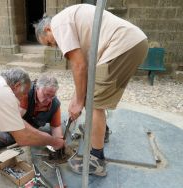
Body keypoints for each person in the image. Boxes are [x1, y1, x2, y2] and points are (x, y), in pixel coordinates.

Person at [34, 4, 148, 176]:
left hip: (122, 46)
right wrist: (76, 97)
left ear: (48, 29)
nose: (55, 46)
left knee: (94, 104)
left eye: (50, 42)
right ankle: (102, 132)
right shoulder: (70, 21)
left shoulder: (59, 25)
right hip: (133, 43)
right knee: (92, 97)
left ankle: (96, 160)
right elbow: (85, 70)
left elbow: (79, 66)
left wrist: (79, 102)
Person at [0, 75, 63, 185]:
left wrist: (58, 142)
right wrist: (37, 137)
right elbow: (16, 119)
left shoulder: (55, 104)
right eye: (46, 95)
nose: (49, 100)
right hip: (13, 126)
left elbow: (56, 127)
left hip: (30, 131)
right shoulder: (26, 93)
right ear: (37, 88)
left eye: (52, 96)